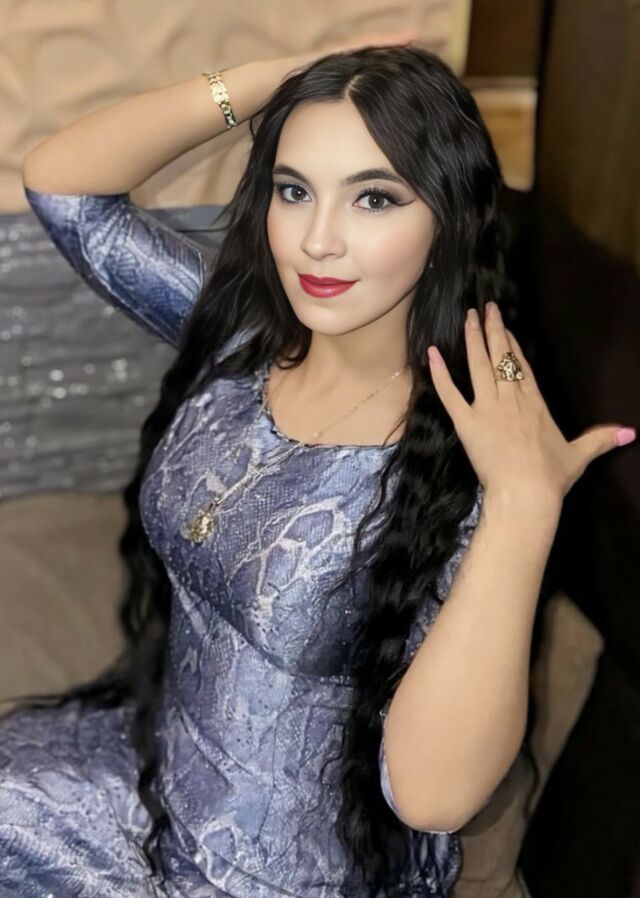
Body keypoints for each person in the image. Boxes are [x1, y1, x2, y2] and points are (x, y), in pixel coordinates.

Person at [1, 35, 635, 898]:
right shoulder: (244, 340)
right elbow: (64, 189)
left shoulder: (452, 460)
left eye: (374, 198)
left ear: (447, 218)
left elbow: (434, 797)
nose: (317, 241)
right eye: (294, 190)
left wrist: (524, 504)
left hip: (288, 874)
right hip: (154, 772)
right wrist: (270, 80)